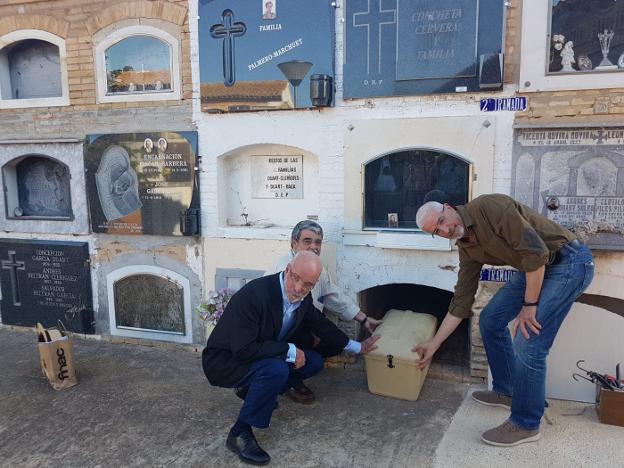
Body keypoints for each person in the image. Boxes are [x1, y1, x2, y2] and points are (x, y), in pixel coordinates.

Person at [414, 194, 594, 447]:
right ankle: (507, 389)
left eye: (442, 220)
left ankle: (526, 423)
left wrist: (529, 306)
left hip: (568, 262)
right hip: (531, 267)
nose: (446, 230)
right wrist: (435, 343)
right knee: (490, 319)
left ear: (448, 207)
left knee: (528, 341)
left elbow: (535, 252)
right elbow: (462, 301)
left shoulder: (490, 207)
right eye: (437, 231)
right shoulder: (467, 247)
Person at [203, 251, 380, 465]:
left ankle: (253, 389)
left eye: (307, 285)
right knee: (276, 370)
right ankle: (239, 433)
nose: (299, 289)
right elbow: (243, 349)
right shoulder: (254, 295)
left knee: (313, 362)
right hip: (225, 361)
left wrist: (358, 347)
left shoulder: (302, 300)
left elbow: (321, 324)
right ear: (287, 270)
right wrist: (289, 349)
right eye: (295, 278)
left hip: (258, 355)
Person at [266, 220, 383, 402]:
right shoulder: (284, 270)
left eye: (318, 242)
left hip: (309, 327)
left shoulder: (317, 267)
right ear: (293, 243)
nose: (313, 246)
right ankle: (287, 381)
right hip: (282, 336)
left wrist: (363, 318)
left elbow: (332, 295)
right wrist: (311, 334)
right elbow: (282, 319)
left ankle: (296, 370)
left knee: (335, 343)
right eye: (307, 241)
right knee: (314, 360)